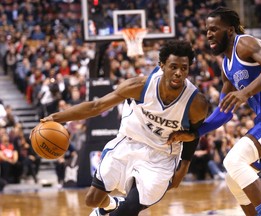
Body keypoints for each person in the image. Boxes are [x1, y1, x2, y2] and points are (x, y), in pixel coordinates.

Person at [35, 40, 208, 216]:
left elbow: (194, 135)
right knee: (92, 200)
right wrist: (57, 117)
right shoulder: (139, 87)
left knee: (127, 212)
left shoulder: (196, 104)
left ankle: (120, 208)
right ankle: (110, 205)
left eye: (184, 68)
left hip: (161, 157)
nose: (179, 73)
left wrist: (184, 167)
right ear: (162, 65)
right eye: (173, 67)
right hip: (129, 142)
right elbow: (96, 106)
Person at [192, 7, 261, 216]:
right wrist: (195, 133)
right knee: (232, 176)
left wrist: (246, 92)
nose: (209, 34)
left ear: (230, 30)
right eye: (207, 30)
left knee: (233, 160)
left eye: (214, 29)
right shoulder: (226, 66)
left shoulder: (244, 43)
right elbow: (224, 110)